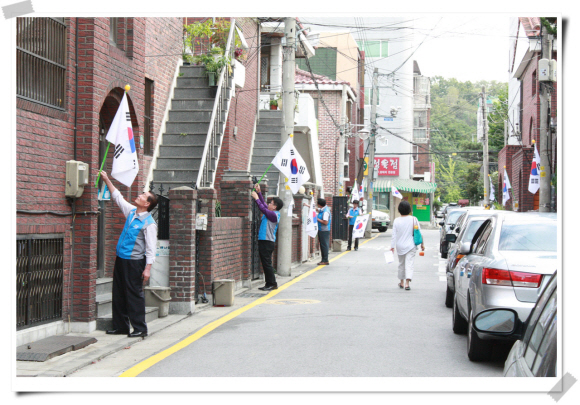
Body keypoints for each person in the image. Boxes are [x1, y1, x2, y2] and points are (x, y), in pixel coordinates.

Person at [100, 171, 158, 337]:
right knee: (118, 293)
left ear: (147, 204)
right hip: (121, 260)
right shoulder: (132, 212)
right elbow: (118, 197)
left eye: (143, 195)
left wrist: (147, 269)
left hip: (135, 263)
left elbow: (151, 249)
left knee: (134, 295)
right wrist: (106, 180)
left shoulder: (149, 224)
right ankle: (121, 327)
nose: (139, 195)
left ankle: (140, 328)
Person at [251, 184, 284, 291]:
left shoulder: (274, 215)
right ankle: (269, 283)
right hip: (264, 241)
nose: (269, 204)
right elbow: (264, 206)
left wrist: (256, 198)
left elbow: (263, 208)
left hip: (267, 241)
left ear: (275, 207)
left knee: (267, 263)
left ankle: (272, 283)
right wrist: (259, 192)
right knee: (265, 263)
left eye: (271, 203)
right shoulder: (271, 212)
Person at [390, 200, 424, 290]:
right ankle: (407, 284)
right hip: (411, 245)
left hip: (400, 246)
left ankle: (401, 282)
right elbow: (419, 233)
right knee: (409, 263)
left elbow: (394, 235)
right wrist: (422, 244)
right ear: (409, 209)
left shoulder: (396, 221)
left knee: (401, 264)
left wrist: (392, 247)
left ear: (399, 210)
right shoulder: (414, 219)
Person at [316, 198, 331, 265]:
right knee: (323, 245)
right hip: (322, 229)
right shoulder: (323, 209)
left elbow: (325, 222)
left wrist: (317, 219)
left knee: (324, 245)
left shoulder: (325, 212)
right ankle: (324, 259)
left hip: (324, 230)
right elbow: (317, 209)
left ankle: (325, 260)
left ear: (319, 204)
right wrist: (307, 205)